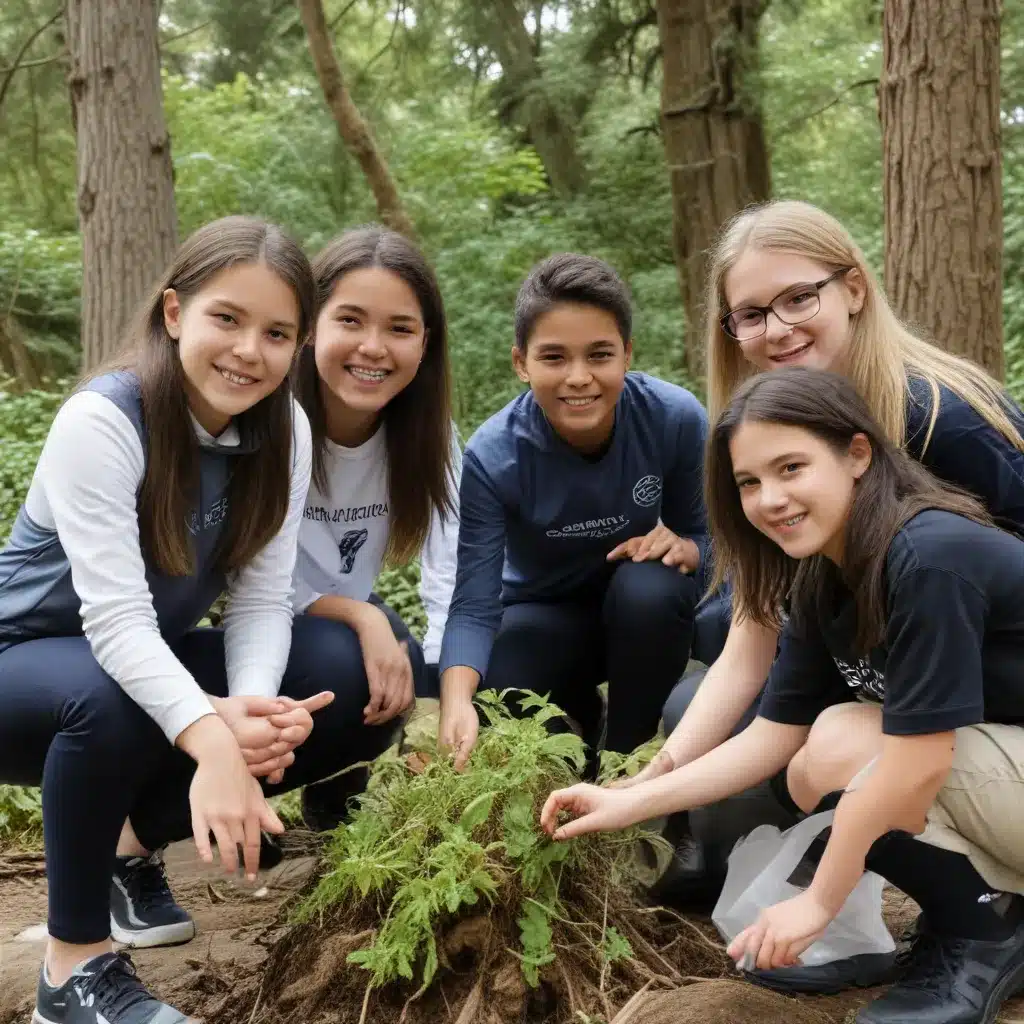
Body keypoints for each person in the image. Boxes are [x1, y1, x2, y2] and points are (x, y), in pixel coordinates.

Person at [0, 217, 393, 1024]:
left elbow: (259, 600)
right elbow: (114, 626)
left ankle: (123, 856)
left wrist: (249, 716)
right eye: (228, 319)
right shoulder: (104, 422)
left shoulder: (285, 431)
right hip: (24, 672)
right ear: (175, 313)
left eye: (278, 333)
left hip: (130, 667)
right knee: (107, 693)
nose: (250, 351)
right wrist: (213, 740)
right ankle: (70, 975)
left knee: (335, 675)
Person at [542, 367, 1024, 1024]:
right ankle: (971, 918)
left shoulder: (927, 556)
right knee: (818, 750)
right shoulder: (824, 576)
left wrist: (819, 904)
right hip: (1006, 780)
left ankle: (985, 932)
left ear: (857, 455)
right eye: (749, 482)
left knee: (846, 746)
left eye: (791, 467)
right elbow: (771, 735)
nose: (769, 498)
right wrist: (627, 798)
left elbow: (918, 766)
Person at [654, 200, 1024, 987]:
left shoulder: (939, 422)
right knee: (700, 713)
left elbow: (980, 583)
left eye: (799, 298)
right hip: (915, 678)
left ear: (854, 287)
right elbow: (752, 638)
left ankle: (985, 923)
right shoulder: (772, 435)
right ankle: (887, 894)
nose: (777, 329)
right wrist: (650, 779)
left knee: (844, 743)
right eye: (750, 314)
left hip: (989, 680)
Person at [437, 253, 708, 776]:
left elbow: (721, 543)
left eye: (599, 355)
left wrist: (691, 547)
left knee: (650, 586)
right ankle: (572, 742)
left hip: (646, 624)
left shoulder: (674, 419)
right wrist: (455, 700)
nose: (579, 377)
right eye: (554, 357)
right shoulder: (495, 456)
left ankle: (622, 763)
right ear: (522, 363)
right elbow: (473, 601)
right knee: (497, 665)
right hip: (546, 620)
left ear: (627, 354)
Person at [292, 225, 460, 829]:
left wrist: (446, 698)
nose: (374, 347)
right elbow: (238, 580)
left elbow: (451, 573)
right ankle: (151, 825)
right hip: (240, 620)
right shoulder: (270, 425)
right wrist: (359, 615)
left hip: (331, 623)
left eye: (399, 328)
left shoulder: (428, 441)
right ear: (310, 325)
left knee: (404, 664)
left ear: (425, 343)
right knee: (359, 648)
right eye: (351, 320)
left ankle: (331, 785)